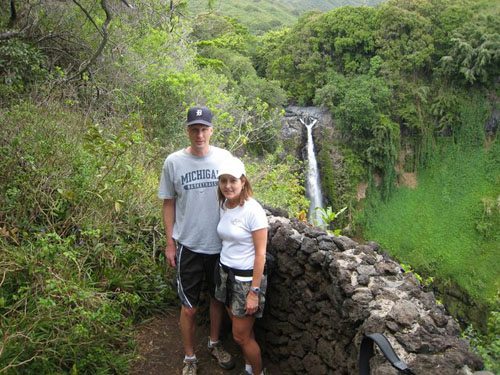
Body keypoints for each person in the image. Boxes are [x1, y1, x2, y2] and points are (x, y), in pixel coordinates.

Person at [158, 106, 235, 375]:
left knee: (217, 300)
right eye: (194, 129)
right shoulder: (174, 162)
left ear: (212, 131)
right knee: (189, 308)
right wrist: (170, 243)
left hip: (220, 246)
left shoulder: (225, 159)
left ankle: (214, 343)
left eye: (204, 129)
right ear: (187, 131)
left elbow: (239, 195)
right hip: (188, 245)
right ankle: (189, 357)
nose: (199, 134)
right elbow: (168, 203)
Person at [215, 157, 268, 375]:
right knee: (245, 332)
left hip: (246, 281)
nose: (228, 185)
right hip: (226, 274)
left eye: (233, 180)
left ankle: (258, 372)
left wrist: (254, 292)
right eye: (223, 181)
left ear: (243, 181)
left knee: (240, 336)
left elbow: (261, 254)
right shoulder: (224, 205)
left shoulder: (253, 211)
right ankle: (248, 367)